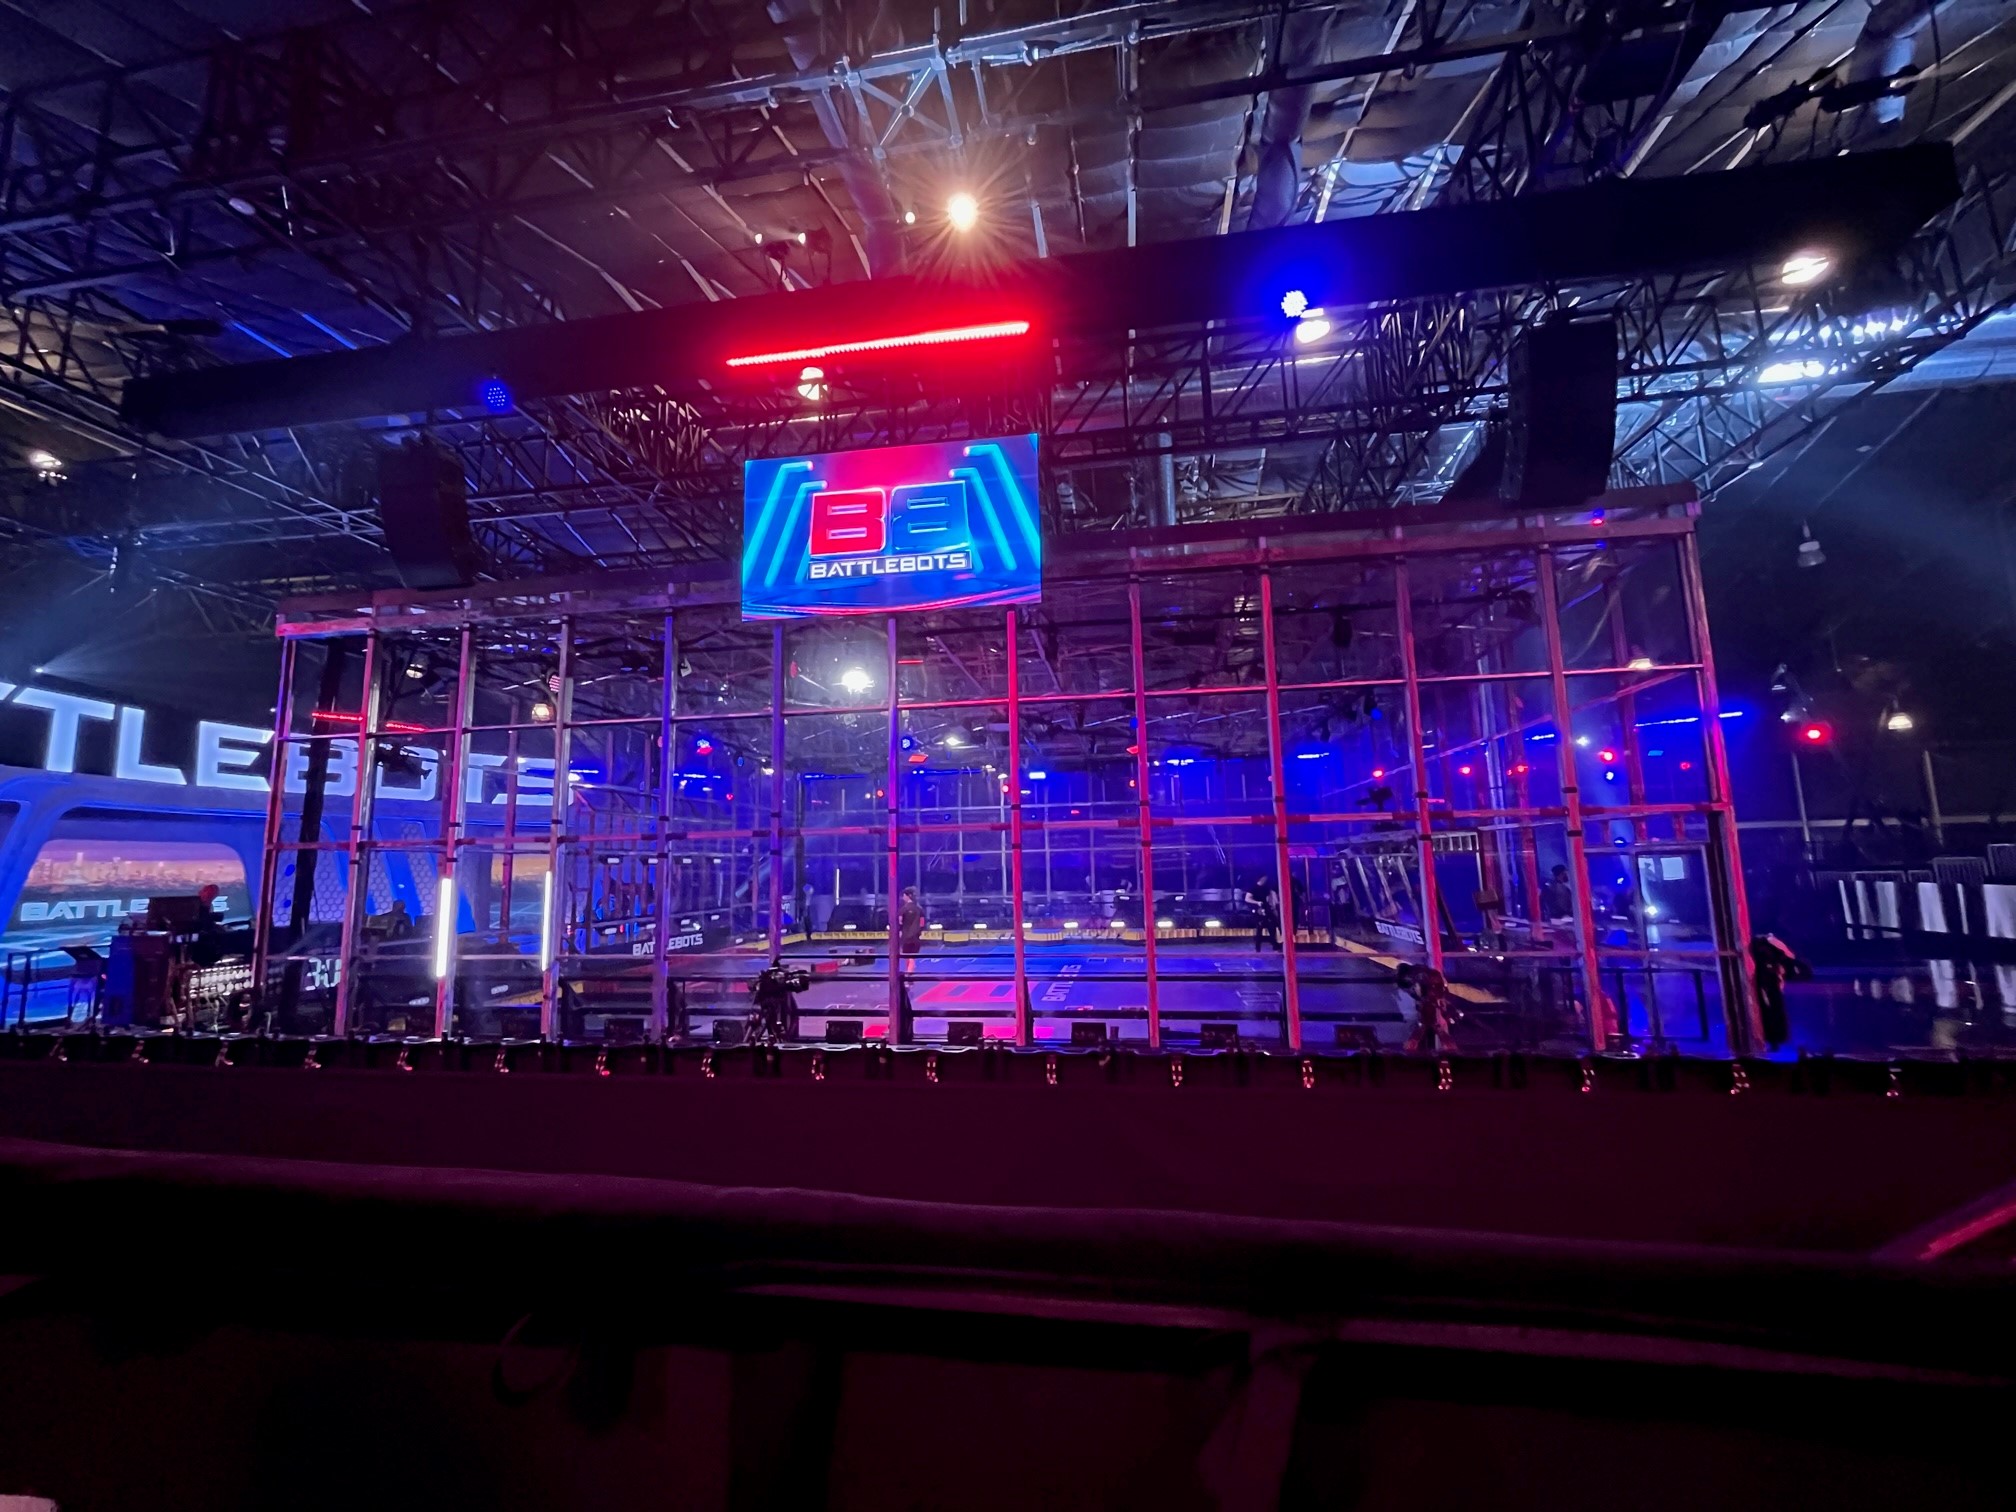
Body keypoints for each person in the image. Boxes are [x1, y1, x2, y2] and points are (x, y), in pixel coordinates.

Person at [1749, 932, 1810, 1052]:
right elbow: (1788, 956)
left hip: (1770, 980)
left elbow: (1789, 956)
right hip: (1765, 980)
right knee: (1769, 1010)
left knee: (1774, 1009)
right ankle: (1772, 1040)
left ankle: (1775, 1040)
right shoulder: (1764, 946)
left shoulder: (1772, 947)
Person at [1244, 875, 1280, 952]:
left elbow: (1270, 897)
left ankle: (1274, 945)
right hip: (1257, 909)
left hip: (1266, 908)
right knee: (1259, 928)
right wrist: (1257, 902)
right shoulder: (1253, 887)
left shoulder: (1266, 888)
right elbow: (1247, 898)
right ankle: (1258, 947)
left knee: (1272, 926)